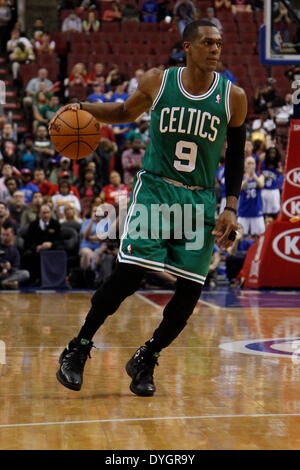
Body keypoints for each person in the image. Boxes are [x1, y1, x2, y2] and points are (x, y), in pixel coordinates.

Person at [50, 20, 247, 397]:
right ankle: (78, 348)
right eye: (207, 42)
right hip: (156, 189)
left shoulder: (233, 96)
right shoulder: (160, 81)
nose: (216, 49)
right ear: (187, 47)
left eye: (219, 43)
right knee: (128, 276)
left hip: (200, 198)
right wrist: (83, 108)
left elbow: (236, 154)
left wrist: (231, 206)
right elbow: (124, 112)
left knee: (190, 290)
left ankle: (147, 356)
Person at [23, 203, 64, 283]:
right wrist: (36, 247)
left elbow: (60, 240)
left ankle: (56, 280)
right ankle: (33, 279)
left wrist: (51, 244)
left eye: (48, 212)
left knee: (60, 250)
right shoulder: (33, 225)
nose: (46, 215)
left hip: (52, 250)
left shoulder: (55, 224)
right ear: (39, 214)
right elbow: (27, 242)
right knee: (27, 254)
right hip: (37, 251)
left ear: (51, 213)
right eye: (43, 213)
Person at [237, 156, 265, 236]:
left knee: (259, 236)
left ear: (255, 165)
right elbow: (239, 188)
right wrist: (247, 178)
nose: (250, 165)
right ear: (245, 165)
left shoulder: (260, 175)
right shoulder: (240, 177)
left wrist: (253, 176)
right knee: (240, 236)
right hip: (243, 211)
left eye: (252, 163)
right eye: (248, 163)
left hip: (256, 211)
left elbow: (261, 184)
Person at [0, 220, 30, 289]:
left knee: (25, 273)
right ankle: (9, 284)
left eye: (7, 235)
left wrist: (10, 268)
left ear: (12, 234)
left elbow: (16, 268)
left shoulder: (15, 251)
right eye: (3, 235)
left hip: (9, 275)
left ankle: (5, 283)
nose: (5, 237)